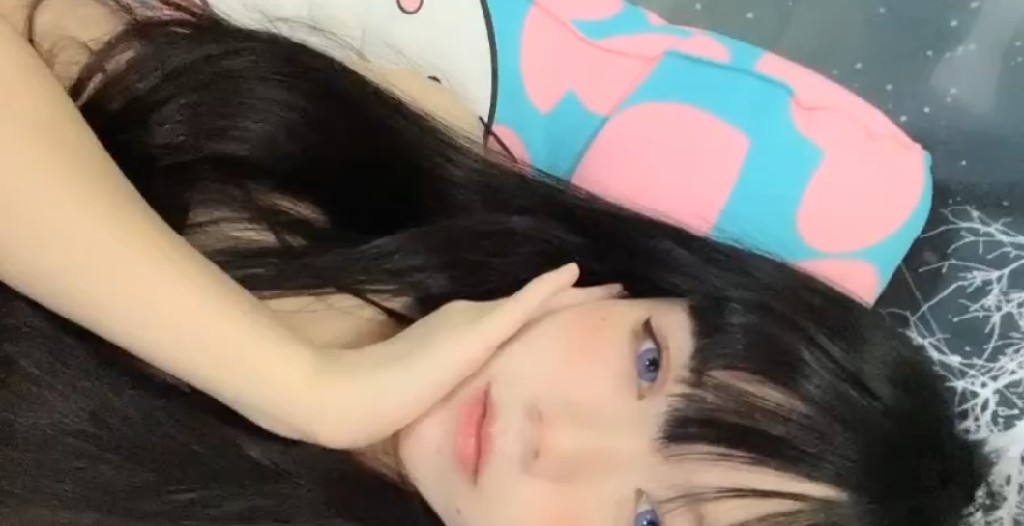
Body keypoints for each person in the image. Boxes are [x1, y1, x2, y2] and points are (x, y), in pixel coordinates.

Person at [0, 1, 989, 526]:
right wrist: (294, 381)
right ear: (643, 285)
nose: (555, 440)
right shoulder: (370, 160)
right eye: (649, 362)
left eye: (647, 521)